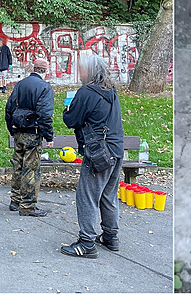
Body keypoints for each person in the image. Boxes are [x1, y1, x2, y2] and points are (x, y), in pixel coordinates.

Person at [60, 54, 124, 259]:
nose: (80, 73)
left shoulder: (86, 92)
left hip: (98, 153)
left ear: (90, 71)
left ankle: (87, 242)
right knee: (108, 195)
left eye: (82, 69)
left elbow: (71, 120)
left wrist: (67, 108)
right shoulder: (111, 91)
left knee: (86, 196)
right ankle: (111, 237)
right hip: (116, 150)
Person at [5, 59, 54, 217]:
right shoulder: (45, 88)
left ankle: (15, 200)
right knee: (31, 169)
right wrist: (49, 135)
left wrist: (11, 129)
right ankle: (28, 205)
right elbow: (45, 114)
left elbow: (9, 108)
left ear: (34, 69)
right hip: (33, 132)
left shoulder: (20, 84)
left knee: (18, 166)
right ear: (45, 71)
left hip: (18, 131)